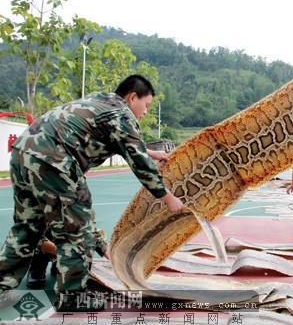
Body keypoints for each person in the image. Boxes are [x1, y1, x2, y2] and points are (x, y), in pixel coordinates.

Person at [0, 74, 186, 311]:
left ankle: (2, 285)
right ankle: (72, 297)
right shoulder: (122, 113)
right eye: (146, 105)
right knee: (76, 229)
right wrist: (168, 199)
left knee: (27, 227)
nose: (146, 111)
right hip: (54, 160)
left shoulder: (102, 101)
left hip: (23, 153)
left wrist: (150, 151)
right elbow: (139, 162)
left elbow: (120, 140)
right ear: (132, 97)